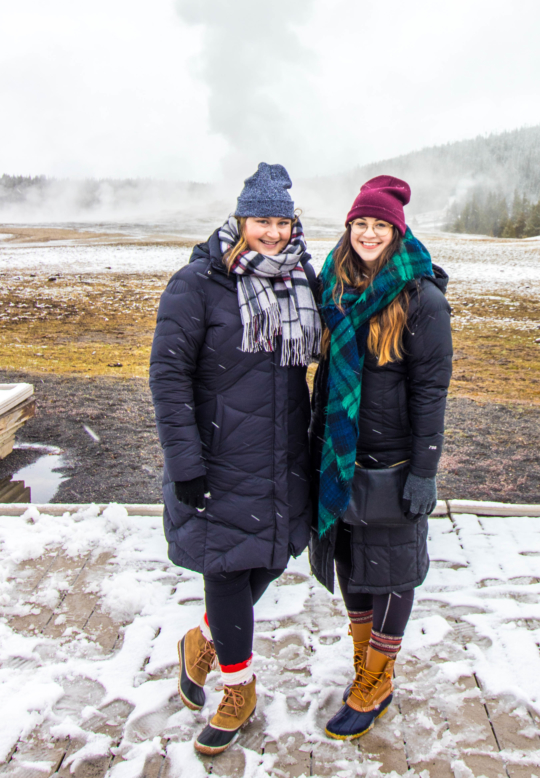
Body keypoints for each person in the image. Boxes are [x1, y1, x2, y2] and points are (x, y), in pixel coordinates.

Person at [149, 162, 321, 756]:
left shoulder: (303, 277)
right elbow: (167, 377)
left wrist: (416, 284)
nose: (272, 233)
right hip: (219, 455)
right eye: (261, 220)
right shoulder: (196, 283)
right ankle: (238, 685)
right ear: (240, 219)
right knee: (224, 569)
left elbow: (353, 314)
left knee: (272, 556)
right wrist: (185, 463)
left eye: (281, 221)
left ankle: (201, 642)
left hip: (284, 453)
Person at [309, 174, 453, 741]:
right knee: (351, 562)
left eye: (380, 225)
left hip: (392, 462)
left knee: (392, 569)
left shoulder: (422, 299)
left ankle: (379, 676)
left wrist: (424, 470)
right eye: (360, 224)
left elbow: (430, 392)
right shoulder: (334, 287)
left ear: (397, 232)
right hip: (341, 455)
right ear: (349, 229)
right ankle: (364, 661)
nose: (369, 233)